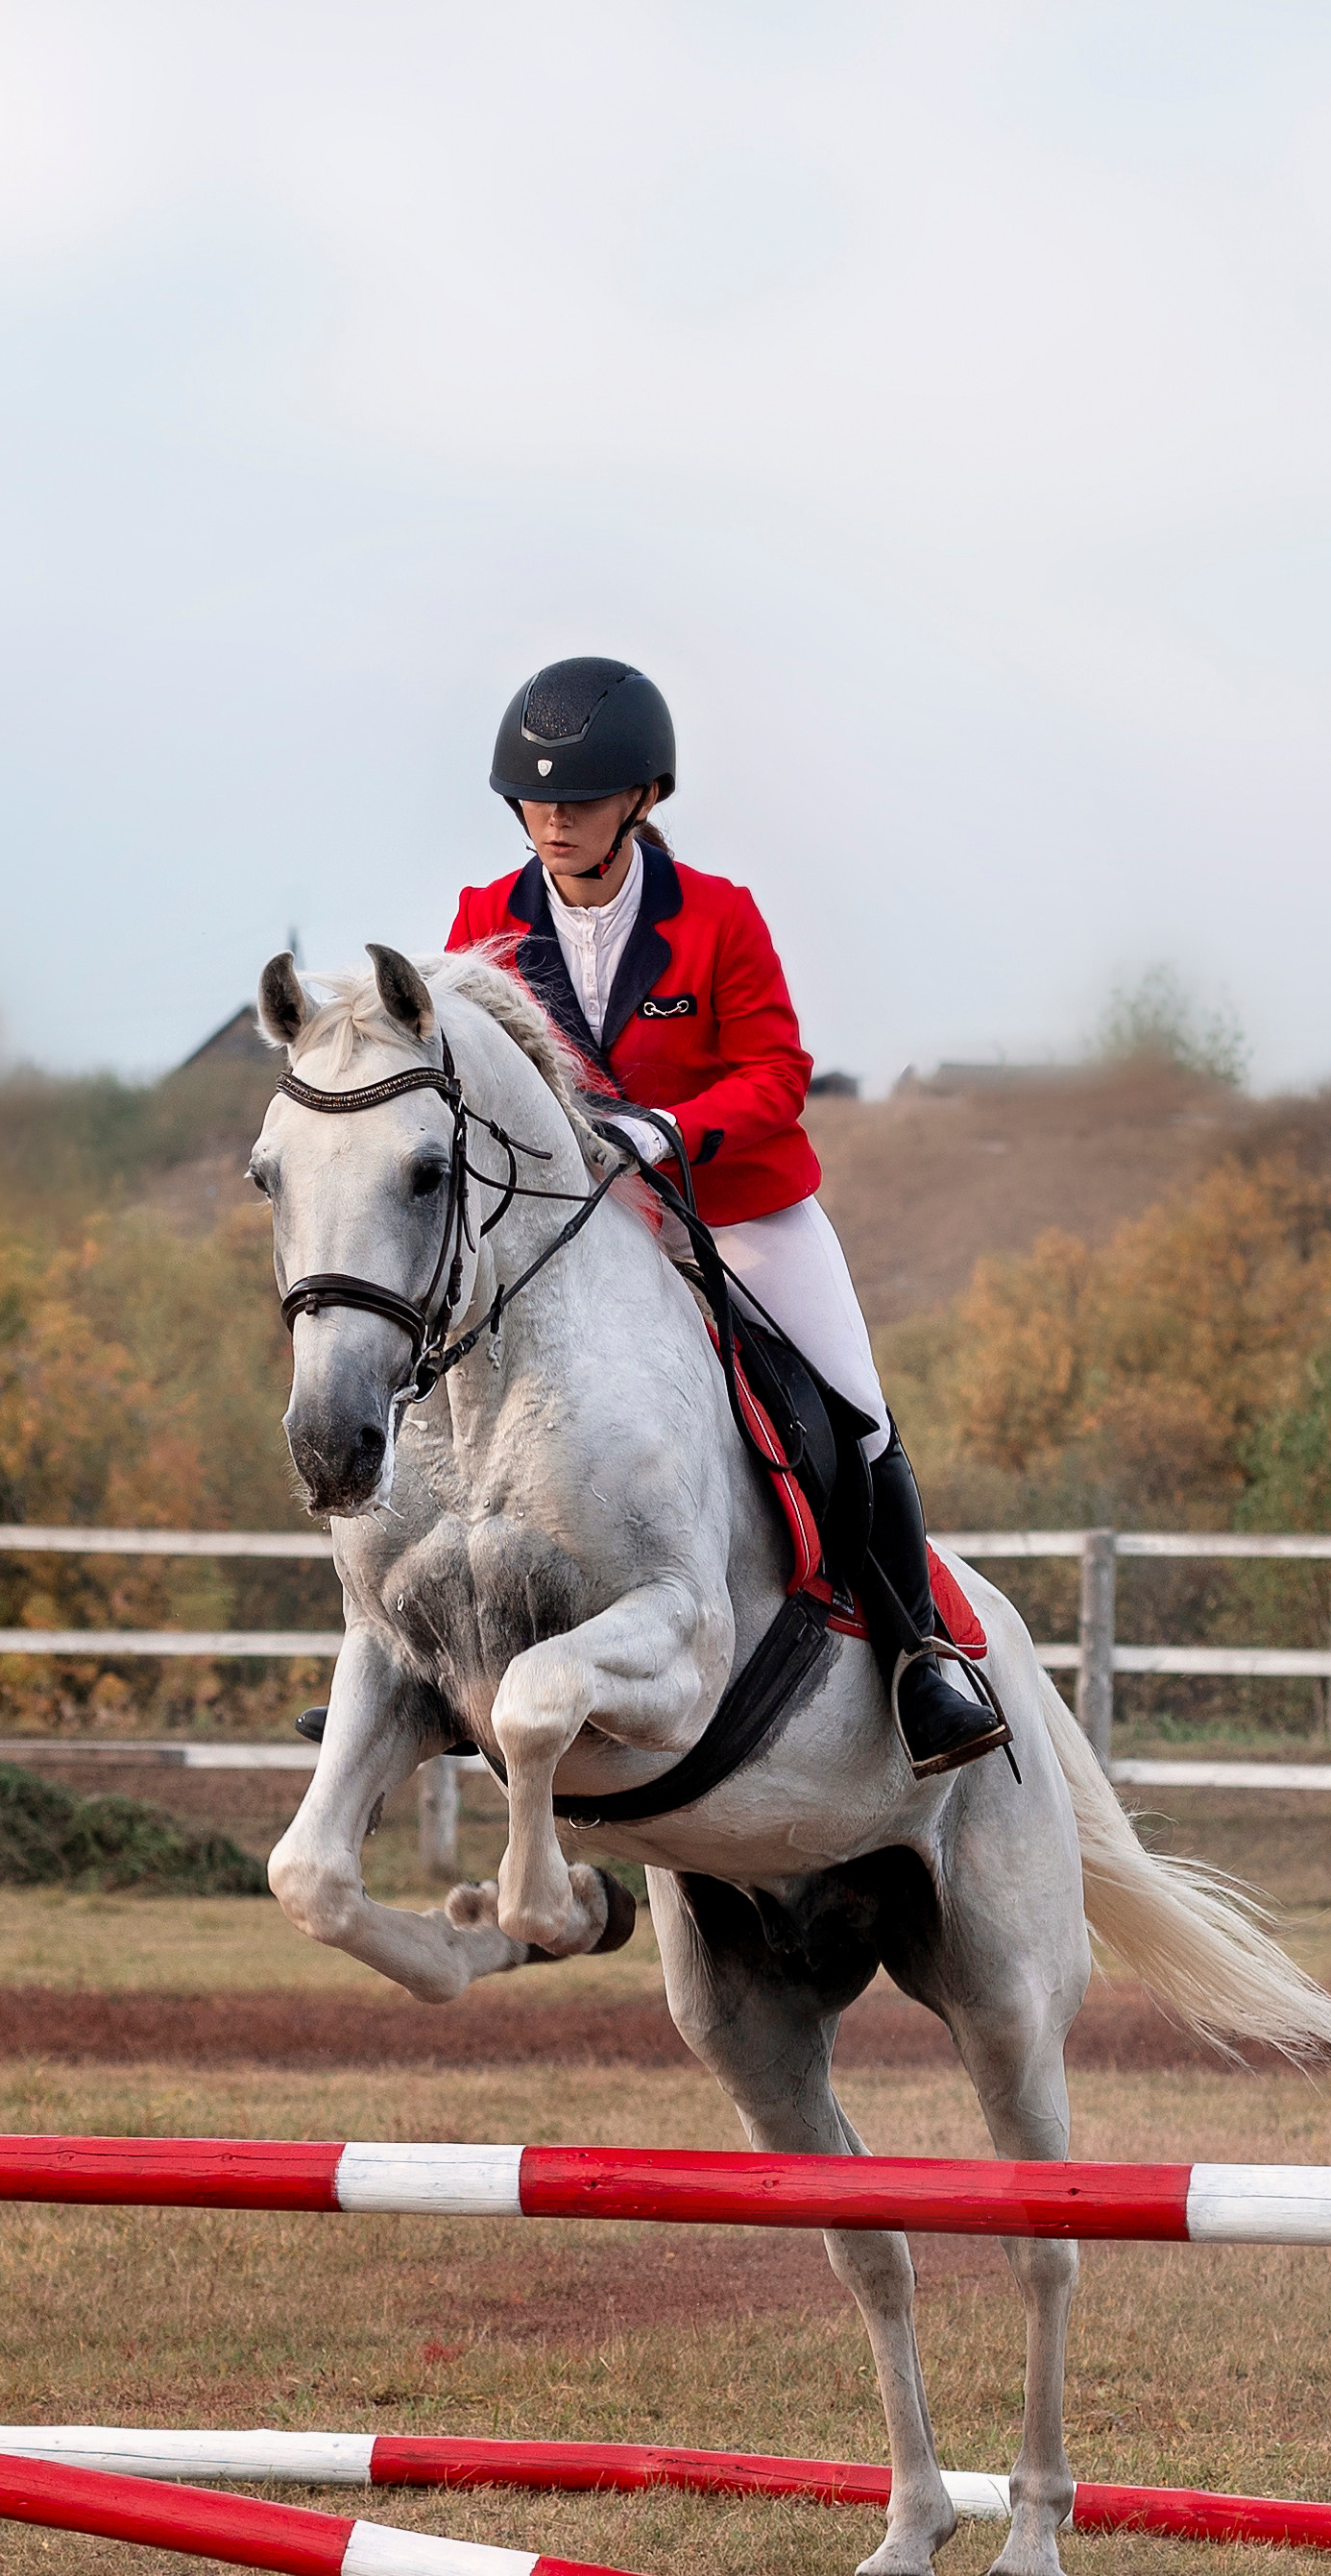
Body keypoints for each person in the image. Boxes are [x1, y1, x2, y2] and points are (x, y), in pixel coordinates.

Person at [448, 655, 1004, 1776]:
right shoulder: (484, 920)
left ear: (641, 798)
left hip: (739, 1210)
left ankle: (919, 1659)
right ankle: (429, 1665)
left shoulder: (715, 917)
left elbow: (776, 1075)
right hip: (581, 1228)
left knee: (855, 1411)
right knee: (452, 1392)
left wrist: (666, 1131)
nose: (555, 818)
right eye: (536, 801)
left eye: (582, 799)